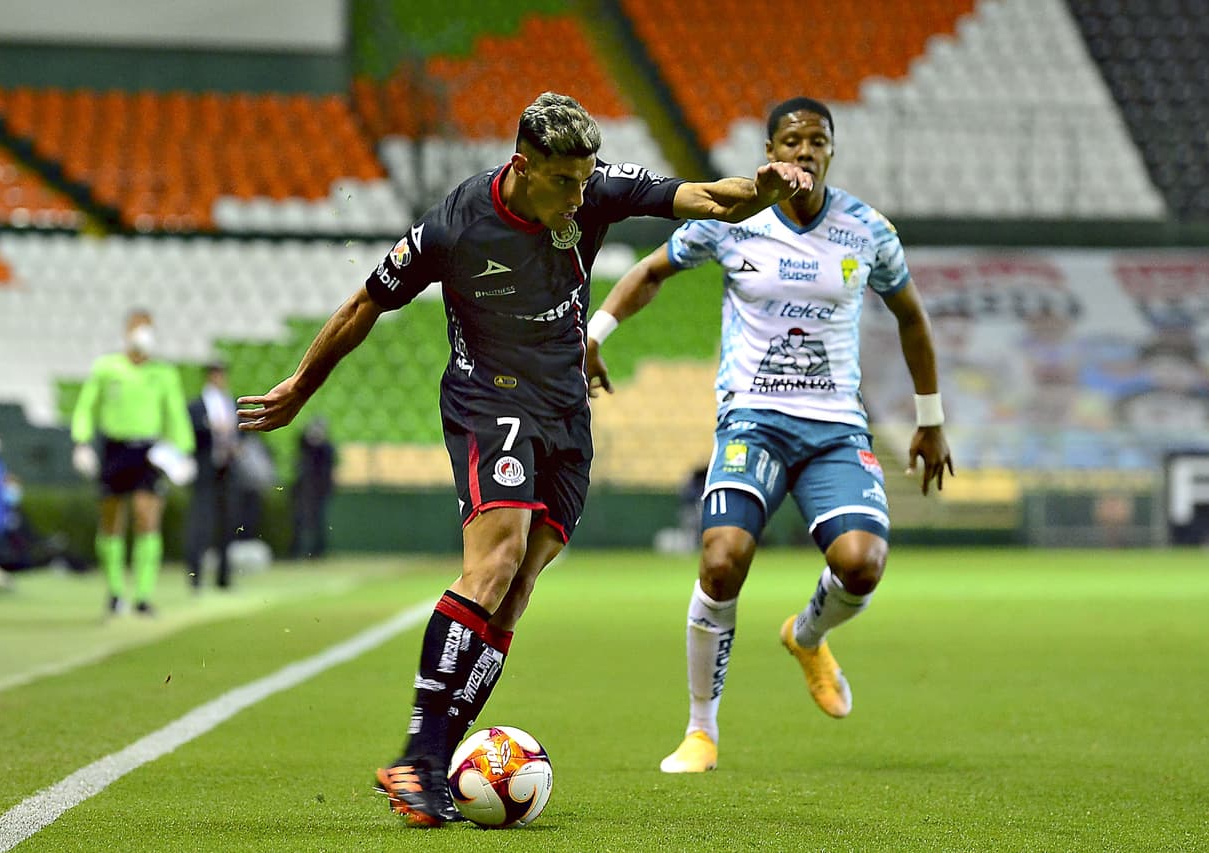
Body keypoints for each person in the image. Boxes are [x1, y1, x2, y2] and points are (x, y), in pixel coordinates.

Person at [236, 91, 811, 827]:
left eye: (587, 180)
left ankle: (434, 759)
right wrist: (300, 386)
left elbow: (700, 196)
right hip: (489, 400)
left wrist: (755, 191)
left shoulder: (591, 192)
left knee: (520, 583)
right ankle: (417, 753)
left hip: (566, 411)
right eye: (566, 183)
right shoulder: (454, 225)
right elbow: (364, 305)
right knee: (495, 559)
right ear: (523, 166)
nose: (581, 197)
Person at [584, 97, 954, 774]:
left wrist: (930, 418)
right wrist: (595, 334)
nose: (805, 150)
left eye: (817, 140)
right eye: (792, 140)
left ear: (831, 152)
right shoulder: (734, 220)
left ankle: (806, 634)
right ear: (770, 152)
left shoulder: (866, 230)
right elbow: (649, 272)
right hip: (751, 419)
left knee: (862, 563)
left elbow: (912, 318)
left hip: (835, 429)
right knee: (722, 559)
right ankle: (701, 730)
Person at [71, 308, 195, 617]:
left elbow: (175, 414)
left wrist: (184, 451)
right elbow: (86, 406)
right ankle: (114, 593)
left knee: (146, 517)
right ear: (126, 331)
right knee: (112, 521)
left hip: (149, 452)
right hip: (115, 449)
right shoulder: (107, 367)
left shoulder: (164, 373)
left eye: (148, 328)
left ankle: (143, 595)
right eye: (137, 327)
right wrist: (82, 441)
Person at [185, 361, 239, 590]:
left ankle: (224, 577)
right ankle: (195, 576)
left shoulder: (230, 402)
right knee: (201, 522)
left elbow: (240, 431)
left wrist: (236, 443)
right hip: (205, 468)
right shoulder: (197, 406)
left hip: (226, 468)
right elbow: (192, 432)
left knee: (227, 523)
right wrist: (212, 428)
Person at [289, 417, 335, 559]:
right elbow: (300, 440)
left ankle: (317, 551)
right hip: (304, 488)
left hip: (318, 490)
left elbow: (326, 470)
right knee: (299, 520)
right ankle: (295, 550)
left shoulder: (326, 448)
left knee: (317, 521)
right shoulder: (306, 445)